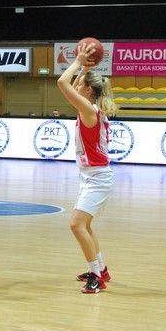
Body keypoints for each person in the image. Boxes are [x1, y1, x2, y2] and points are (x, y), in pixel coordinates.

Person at [56, 42, 118, 294]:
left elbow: (62, 83)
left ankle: (96, 276)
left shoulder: (88, 111)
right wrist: (84, 69)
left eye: (80, 85)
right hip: (91, 176)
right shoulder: (91, 109)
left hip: (97, 177)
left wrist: (80, 62)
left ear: (88, 91)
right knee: (86, 225)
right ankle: (101, 269)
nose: (76, 86)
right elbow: (72, 84)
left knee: (76, 225)